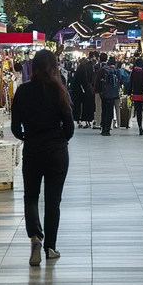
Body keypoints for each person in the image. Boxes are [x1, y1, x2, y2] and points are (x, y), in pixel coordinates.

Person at [11, 50, 75, 266]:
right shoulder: (59, 91)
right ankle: (51, 248)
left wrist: (27, 136)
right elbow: (69, 128)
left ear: (34, 67)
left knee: (30, 196)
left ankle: (35, 237)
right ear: (54, 67)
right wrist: (59, 139)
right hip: (57, 151)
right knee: (53, 200)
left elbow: (15, 128)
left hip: (32, 150)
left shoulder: (22, 91)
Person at [95, 56, 121, 136]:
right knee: (110, 111)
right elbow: (120, 81)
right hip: (113, 94)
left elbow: (97, 82)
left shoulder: (102, 70)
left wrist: (98, 91)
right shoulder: (116, 71)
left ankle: (103, 129)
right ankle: (107, 129)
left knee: (104, 110)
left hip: (104, 93)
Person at [129, 58, 143, 135]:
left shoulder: (133, 72)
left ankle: (140, 127)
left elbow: (130, 83)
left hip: (136, 94)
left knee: (138, 112)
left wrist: (129, 93)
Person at [72, 58, 95, 128]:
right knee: (86, 105)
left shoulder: (80, 68)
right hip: (87, 89)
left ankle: (79, 119)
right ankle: (86, 120)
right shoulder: (88, 68)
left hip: (79, 90)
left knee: (79, 105)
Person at [92, 53, 107, 130]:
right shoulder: (108, 67)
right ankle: (107, 123)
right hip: (107, 91)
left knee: (98, 107)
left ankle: (98, 122)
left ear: (99, 59)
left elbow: (94, 78)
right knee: (106, 107)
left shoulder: (96, 66)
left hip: (98, 89)